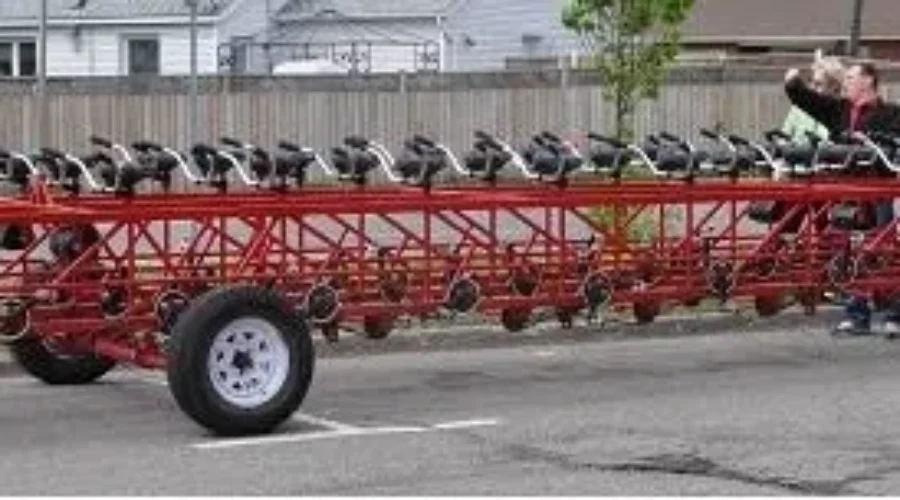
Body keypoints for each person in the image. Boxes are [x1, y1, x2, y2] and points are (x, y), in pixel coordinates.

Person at [784, 60, 900, 337]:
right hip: (848, 192)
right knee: (847, 252)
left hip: (880, 193)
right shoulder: (840, 110)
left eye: (851, 77)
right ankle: (856, 314)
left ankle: (894, 314)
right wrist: (792, 83)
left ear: (868, 81)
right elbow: (808, 100)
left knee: (883, 252)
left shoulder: (892, 114)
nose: (845, 81)